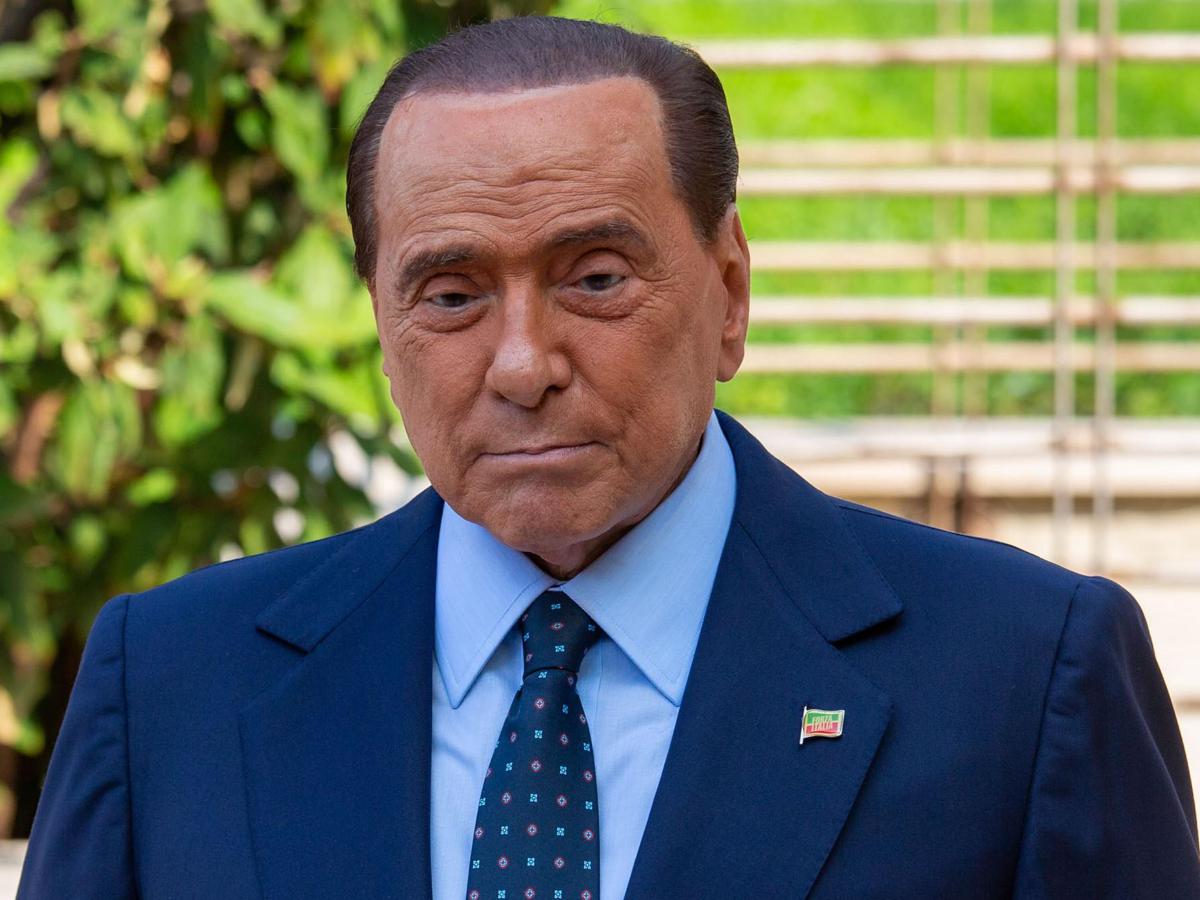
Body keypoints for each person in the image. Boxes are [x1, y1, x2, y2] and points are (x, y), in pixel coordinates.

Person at [17, 15, 1200, 900]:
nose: (522, 363)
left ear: (729, 293)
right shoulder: (171, 688)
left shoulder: (1022, 683)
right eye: (452, 295)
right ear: (381, 324)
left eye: (593, 278)